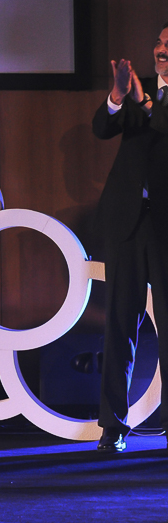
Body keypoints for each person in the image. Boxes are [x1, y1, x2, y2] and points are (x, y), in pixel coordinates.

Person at [92, 24, 168, 452]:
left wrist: (143, 101)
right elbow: (101, 127)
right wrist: (118, 96)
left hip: (165, 225)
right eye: (159, 42)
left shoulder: (150, 99)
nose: (161, 50)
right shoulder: (140, 93)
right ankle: (112, 425)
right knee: (120, 323)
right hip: (126, 222)